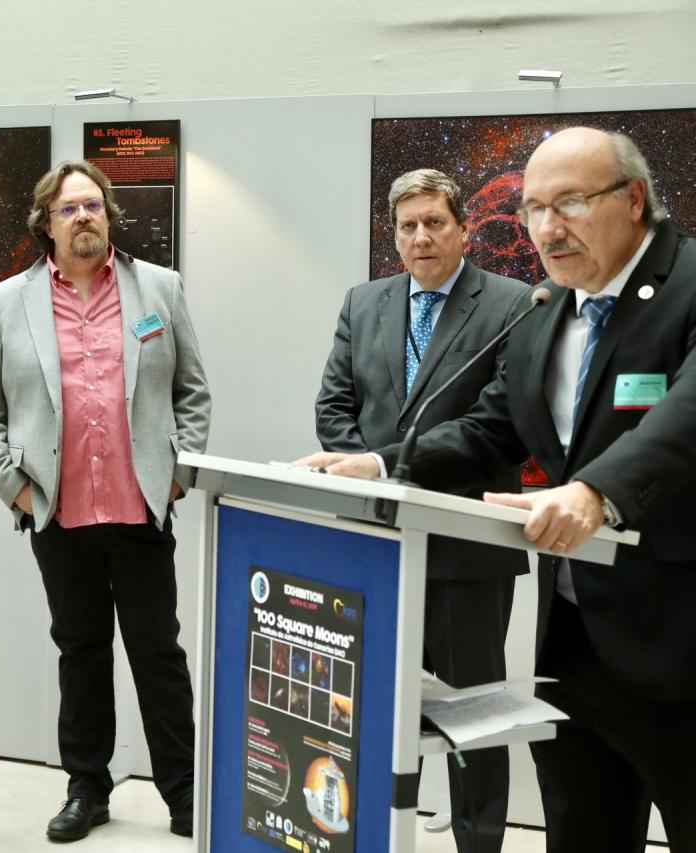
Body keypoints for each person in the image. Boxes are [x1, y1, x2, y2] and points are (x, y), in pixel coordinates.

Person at [298, 127, 696, 851]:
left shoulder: (689, 286)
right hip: (577, 640)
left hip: (681, 634)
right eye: (533, 209)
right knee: (583, 829)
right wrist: (384, 464)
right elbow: (491, 431)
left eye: (569, 202)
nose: (548, 227)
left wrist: (595, 493)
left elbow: (686, 415)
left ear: (634, 200)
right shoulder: (551, 312)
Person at [0, 160, 210, 842]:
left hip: (141, 509)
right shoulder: (7, 301)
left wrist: (177, 473)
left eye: (94, 206)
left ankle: (186, 794)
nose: (85, 218)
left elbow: (192, 389)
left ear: (109, 215)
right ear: (46, 223)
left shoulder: (157, 287)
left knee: (158, 652)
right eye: (69, 209)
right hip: (58, 512)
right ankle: (87, 788)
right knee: (81, 650)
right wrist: (14, 486)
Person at [314, 168, 528, 853]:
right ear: (394, 235)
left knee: (473, 716)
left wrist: (385, 467)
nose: (421, 236)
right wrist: (372, 480)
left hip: (467, 547)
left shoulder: (512, 304)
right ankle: (369, 830)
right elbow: (333, 408)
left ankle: (479, 839)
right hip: (375, 544)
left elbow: (501, 420)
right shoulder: (363, 301)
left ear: (464, 227)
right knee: (368, 705)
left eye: (435, 222)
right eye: (407, 225)